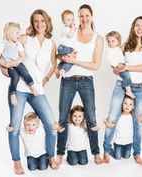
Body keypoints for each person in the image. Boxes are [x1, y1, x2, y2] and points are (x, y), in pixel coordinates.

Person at [0, 9, 58, 175]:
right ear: (32, 23)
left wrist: (45, 80)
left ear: (47, 22)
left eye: (42, 21)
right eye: (36, 21)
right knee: (15, 127)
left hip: (37, 89)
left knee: (51, 126)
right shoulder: (24, 38)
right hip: (19, 89)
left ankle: (51, 156)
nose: (39, 24)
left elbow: (53, 65)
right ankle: (17, 162)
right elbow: (6, 50)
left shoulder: (51, 43)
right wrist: (5, 70)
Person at [55, 4, 104, 166]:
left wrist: (73, 61)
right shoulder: (71, 31)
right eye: (81, 15)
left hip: (86, 81)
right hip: (68, 79)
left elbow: (95, 65)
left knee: (91, 117)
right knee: (62, 116)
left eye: (87, 15)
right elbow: (59, 52)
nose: (84, 19)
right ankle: (60, 152)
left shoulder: (98, 38)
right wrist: (63, 59)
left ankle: (96, 152)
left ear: (92, 16)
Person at [103, 16, 142, 164]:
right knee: (112, 117)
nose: (139, 28)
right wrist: (116, 69)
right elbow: (116, 63)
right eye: (137, 25)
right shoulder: (125, 45)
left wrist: (127, 67)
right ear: (133, 27)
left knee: (138, 121)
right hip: (121, 86)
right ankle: (106, 150)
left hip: (139, 89)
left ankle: (137, 153)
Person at [0, 22, 38, 106]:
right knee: (15, 77)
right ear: (9, 33)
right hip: (9, 67)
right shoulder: (2, 45)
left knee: (25, 73)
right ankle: (13, 94)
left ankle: (33, 87)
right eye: (17, 33)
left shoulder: (18, 44)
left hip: (17, 63)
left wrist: (14, 62)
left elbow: (22, 56)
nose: (19, 35)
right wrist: (4, 63)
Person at [105, 31, 135, 99]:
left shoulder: (117, 48)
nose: (110, 43)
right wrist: (116, 65)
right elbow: (110, 59)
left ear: (118, 41)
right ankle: (128, 91)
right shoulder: (110, 50)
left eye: (113, 41)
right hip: (118, 66)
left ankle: (128, 89)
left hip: (122, 64)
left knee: (127, 75)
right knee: (126, 75)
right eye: (108, 41)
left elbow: (121, 56)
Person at [104, 96, 134, 160]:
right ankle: (110, 150)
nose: (127, 106)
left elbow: (140, 120)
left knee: (126, 157)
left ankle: (122, 151)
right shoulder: (118, 114)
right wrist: (107, 123)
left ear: (133, 107)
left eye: (130, 104)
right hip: (118, 142)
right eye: (125, 103)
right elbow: (105, 118)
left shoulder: (132, 116)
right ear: (122, 104)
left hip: (129, 142)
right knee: (118, 158)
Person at [55, 9, 76, 78]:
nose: (71, 22)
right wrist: (73, 28)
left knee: (65, 61)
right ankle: (63, 70)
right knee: (71, 60)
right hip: (66, 48)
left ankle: (58, 69)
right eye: (68, 20)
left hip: (62, 48)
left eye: (72, 19)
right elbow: (70, 35)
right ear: (63, 21)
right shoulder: (66, 28)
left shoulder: (65, 29)